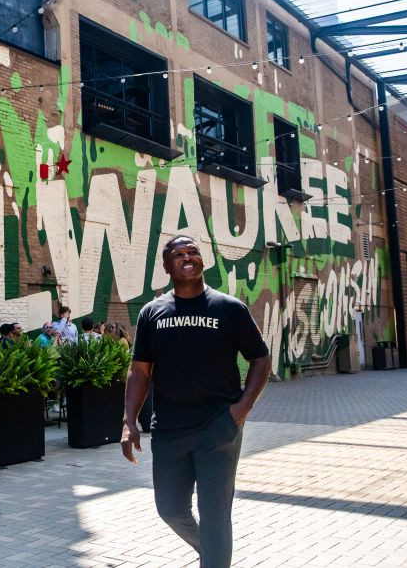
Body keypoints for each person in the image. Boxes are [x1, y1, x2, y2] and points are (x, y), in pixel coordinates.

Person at [120, 235, 270, 568]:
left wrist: (241, 409)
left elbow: (261, 359)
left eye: (193, 252)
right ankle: (214, 551)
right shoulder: (152, 313)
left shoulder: (229, 308)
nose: (187, 257)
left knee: (215, 514)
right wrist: (129, 420)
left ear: (202, 260)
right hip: (169, 427)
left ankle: (215, 555)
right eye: (178, 254)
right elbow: (140, 371)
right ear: (166, 266)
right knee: (170, 508)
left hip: (219, 426)